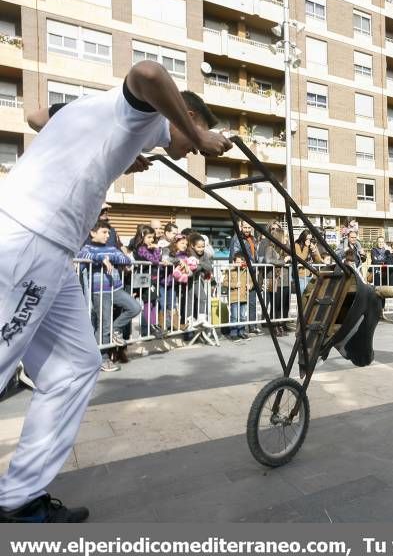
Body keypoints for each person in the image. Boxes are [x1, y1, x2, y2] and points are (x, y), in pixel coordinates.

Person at [0, 59, 230, 522]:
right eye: (194, 138)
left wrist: (129, 147)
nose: (193, 152)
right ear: (181, 116)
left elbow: (37, 117)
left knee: (75, 367)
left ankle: (19, 500)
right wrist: (195, 134)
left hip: (56, 251)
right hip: (30, 238)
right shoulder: (143, 111)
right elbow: (148, 74)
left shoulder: (104, 112)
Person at [76, 221, 141, 372]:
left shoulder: (111, 248)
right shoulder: (87, 248)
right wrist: (101, 259)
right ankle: (103, 359)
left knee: (135, 307)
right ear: (93, 233)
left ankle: (115, 329)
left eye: (108, 233)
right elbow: (84, 257)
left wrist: (109, 258)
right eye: (104, 232)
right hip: (100, 291)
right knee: (104, 324)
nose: (107, 235)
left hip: (116, 289)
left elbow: (125, 259)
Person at [223, 253, 250, 340]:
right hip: (234, 297)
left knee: (242, 316)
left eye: (242, 261)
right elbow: (225, 282)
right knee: (235, 316)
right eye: (238, 262)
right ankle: (233, 333)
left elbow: (251, 281)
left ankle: (241, 332)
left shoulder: (246, 271)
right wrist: (234, 284)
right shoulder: (230, 271)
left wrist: (250, 285)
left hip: (244, 297)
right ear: (234, 262)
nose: (240, 263)